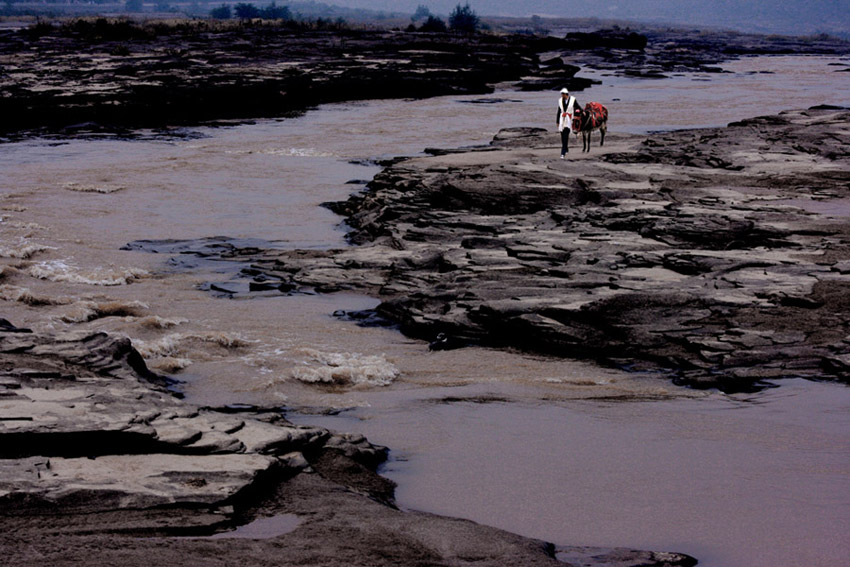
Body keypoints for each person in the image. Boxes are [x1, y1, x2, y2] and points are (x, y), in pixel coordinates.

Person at [556, 87, 580, 159]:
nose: (562, 96)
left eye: (562, 94)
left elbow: (578, 107)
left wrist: (582, 112)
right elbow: (559, 111)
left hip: (569, 120)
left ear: (565, 94)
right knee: (562, 135)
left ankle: (562, 153)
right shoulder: (560, 101)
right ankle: (566, 148)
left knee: (565, 135)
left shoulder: (573, 100)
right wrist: (557, 121)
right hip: (562, 119)